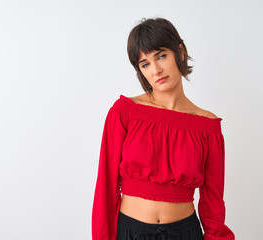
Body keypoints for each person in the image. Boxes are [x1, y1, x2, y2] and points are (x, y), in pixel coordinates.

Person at [92, 17, 235, 240]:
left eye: (161, 56)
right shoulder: (124, 113)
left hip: (185, 233)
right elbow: (106, 188)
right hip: (131, 232)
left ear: (180, 53)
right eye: (145, 64)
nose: (156, 70)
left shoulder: (207, 126)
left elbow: (213, 203)